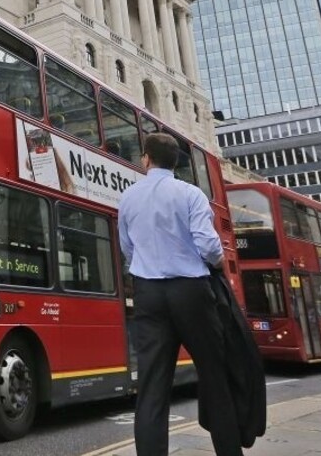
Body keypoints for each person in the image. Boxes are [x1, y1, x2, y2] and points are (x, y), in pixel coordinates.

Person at [117, 132, 245, 456]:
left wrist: (147, 266)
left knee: (152, 386)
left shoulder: (128, 198)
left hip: (147, 292)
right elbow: (208, 245)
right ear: (175, 163)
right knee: (214, 376)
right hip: (191, 291)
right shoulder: (190, 193)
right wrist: (213, 262)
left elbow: (127, 249)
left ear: (146, 159)